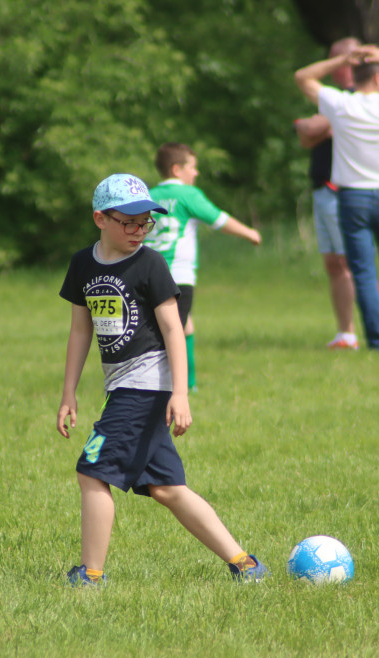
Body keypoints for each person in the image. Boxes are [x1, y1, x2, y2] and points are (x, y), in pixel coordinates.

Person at [56, 173, 268, 586]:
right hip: (122, 386)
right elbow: (80, 330)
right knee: (167, 488)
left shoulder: (150, 263)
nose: (139, 230)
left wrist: (180, 394)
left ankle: (90, 575)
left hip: (145, 386)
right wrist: (68, 393)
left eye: (146, 222)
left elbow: (174, 329)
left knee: (93, 472)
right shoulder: (83, 263)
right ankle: (245, 565)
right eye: (129, 222)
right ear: (100, 219)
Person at [295, 44, 379, 350]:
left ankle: (377, 341)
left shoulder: (341, 104)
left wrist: (342, 59)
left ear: (354, 76)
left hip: (353, 198)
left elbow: (303, 76)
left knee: (363, 271)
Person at [144, 143, 261, 390]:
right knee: (170, 332)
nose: (196, 173)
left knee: (182, 325)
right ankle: (167, 386)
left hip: (146, 274)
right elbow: (218, 219)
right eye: (192, 167)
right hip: (177, 276)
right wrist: (250, 233)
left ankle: (190, 383)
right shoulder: (188, 194)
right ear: (177, 169)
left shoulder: (148, 196)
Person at [293, 37, 361, 351]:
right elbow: (307, 136)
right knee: (333, 263)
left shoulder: (359, 96)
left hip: (343, 191)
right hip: (322, 189)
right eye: (332, 60)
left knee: (352, 261)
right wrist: (316, 125)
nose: (335, 68)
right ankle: (344, 331)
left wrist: (314, 125)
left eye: (341, 60)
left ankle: (362, 328)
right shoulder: (330, 100)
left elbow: (311, 129)